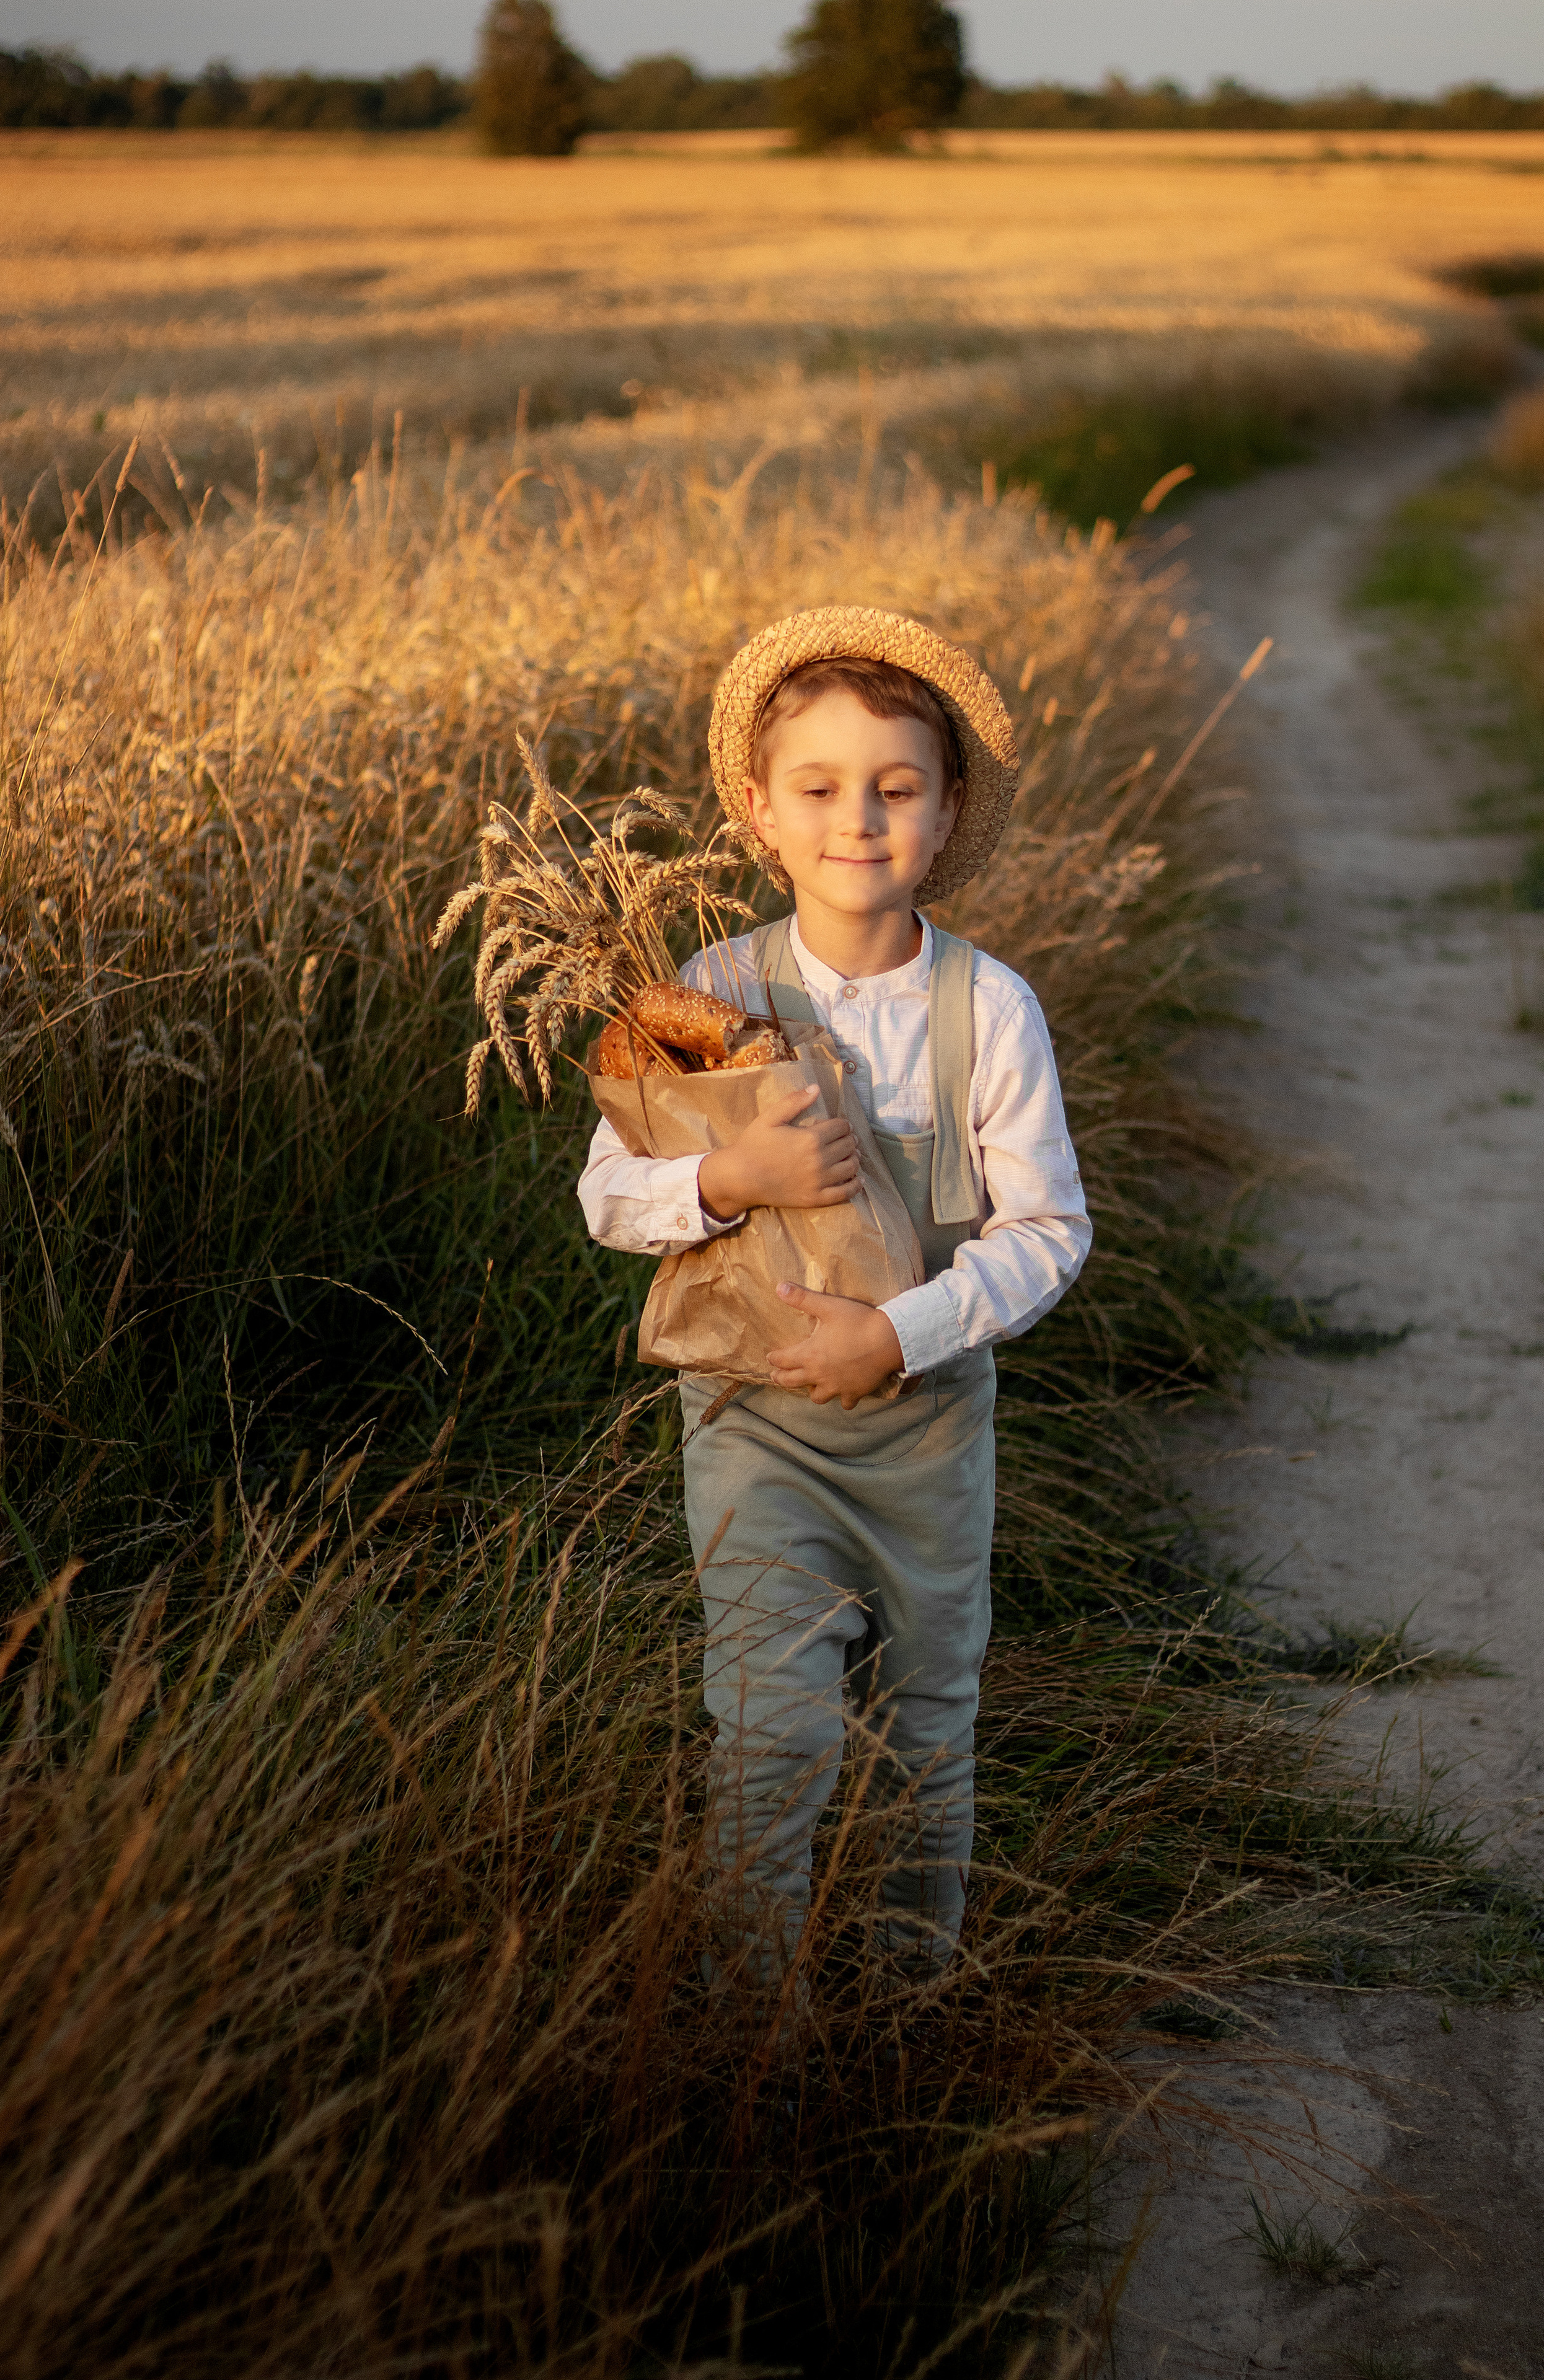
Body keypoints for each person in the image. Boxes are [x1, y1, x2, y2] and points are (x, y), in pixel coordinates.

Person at [578, 607, 1091, 1999]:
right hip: (752, 1425)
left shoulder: (987, 1010)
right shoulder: (708, 993)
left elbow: (1049, 1232)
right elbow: (608, 1198)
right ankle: (757, 2018)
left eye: (895, 786)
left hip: (929, 1435)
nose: (856, 819)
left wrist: (899, 1334)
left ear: (947, 808)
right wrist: (728, 1176)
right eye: (817, 787)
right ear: (758, 810)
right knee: (773, 1728)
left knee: (926, 1723)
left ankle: (911, 1994)